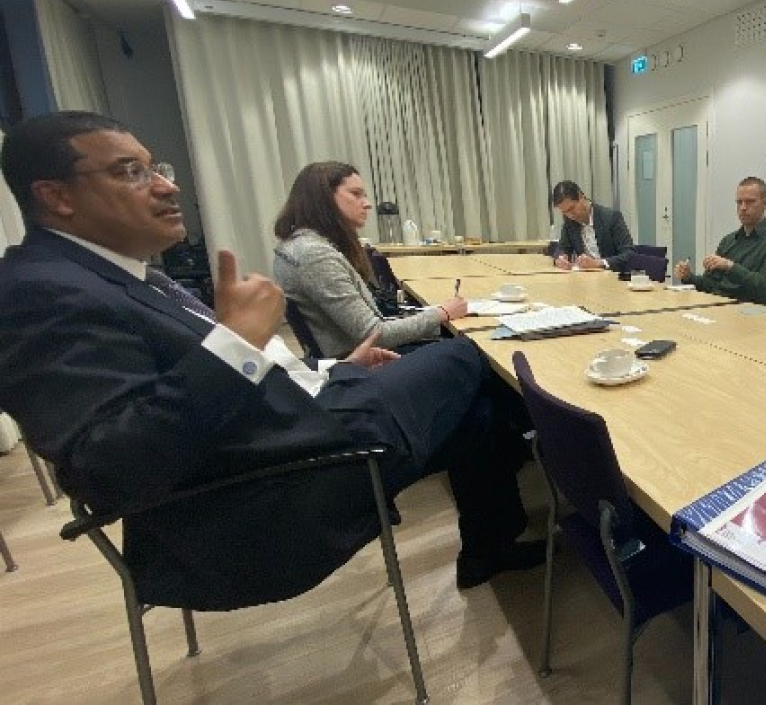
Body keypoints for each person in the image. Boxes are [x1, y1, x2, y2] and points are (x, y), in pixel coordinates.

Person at [0, 112, 543, 607]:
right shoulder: (36, 292)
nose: (168, 185)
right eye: (130, 172)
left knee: (482, 409)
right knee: (469, 357)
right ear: (57, 197)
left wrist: (334, 367)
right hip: (282, 485)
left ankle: (491, 543)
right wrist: (236, 344)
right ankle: (550, 484)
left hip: (298, 418)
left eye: (155, 168)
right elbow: (110, 468)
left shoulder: (114, 276)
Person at [273, 161, 466, 357]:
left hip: (352, 358)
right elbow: (374, 334)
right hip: (363, 365)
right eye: (356, 194)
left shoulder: (297, 246)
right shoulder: (314, 256)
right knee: (471, 351)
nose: (367, 203)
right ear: (323, 199)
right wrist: (442, 313)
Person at [674, 176, 766, 304]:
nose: (743, 208)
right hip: (719, 307)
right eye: (739, 202)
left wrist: (730, 267)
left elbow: (765, 289)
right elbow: (710, 285)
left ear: (765, 204)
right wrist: (689, 277)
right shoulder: (729, 241)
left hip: (752, 312)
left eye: (750, 201)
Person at [551, 180, 633, 271]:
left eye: (572, 208)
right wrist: (560, 258)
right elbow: (562, 248)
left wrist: (598, 263)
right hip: (586, 278)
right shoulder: (569, 223)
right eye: (565, 212)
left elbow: (629, 254)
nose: (570, 215)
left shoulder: (611, 218)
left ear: (581, 197)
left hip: (613, 276)